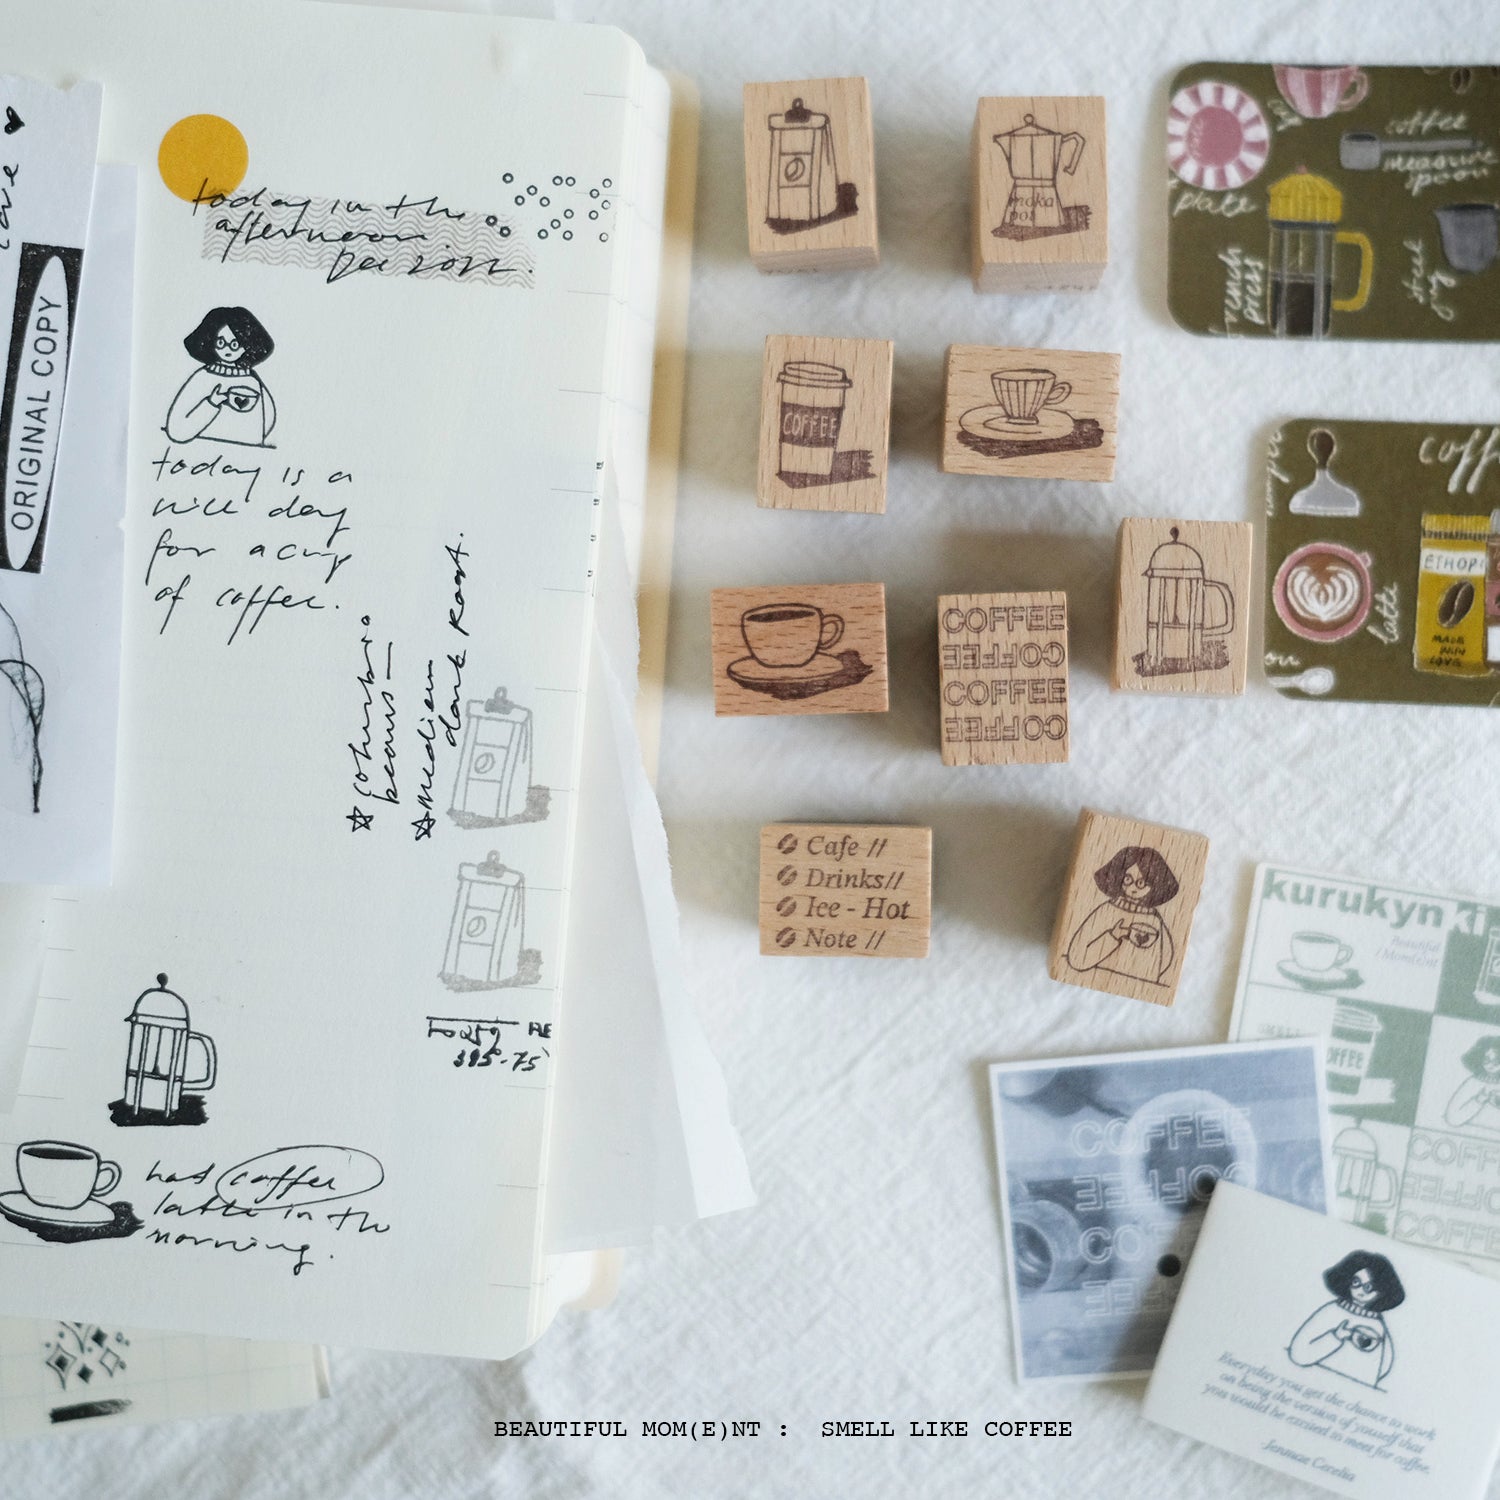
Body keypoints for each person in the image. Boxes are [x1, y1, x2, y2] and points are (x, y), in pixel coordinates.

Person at [1288, 1249, 1404, 1390]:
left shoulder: (1378, 1324)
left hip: (1360, 1391)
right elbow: (1299, 1354)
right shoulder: (1332, 1311)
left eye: (1369, 1287)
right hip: (1314, 1384)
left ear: (1382, 1290)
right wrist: (1335, 1337)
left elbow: (1385, 1363)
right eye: (1356, 1282)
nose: (1361, 1290)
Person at [1064, 845, 1178, 986]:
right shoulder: (1107, 910)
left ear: (1155, 884)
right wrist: (1113, 937)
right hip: (1096, 978)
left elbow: (1166, 958)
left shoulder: (1155, 920)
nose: (1132, 887)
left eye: (1141, 883)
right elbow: (1077, 958)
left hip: (1140, 986)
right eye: (1128, 879)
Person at [164, 307, 277, 446]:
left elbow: (269, 418)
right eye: (221, 342)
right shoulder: (203, 377)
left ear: (247, 344)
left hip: (247, 452)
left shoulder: (252, 380)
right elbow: (176, 430)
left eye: (235, 344)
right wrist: (211, 404)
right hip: (203, 452)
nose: (227, 349)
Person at [1443, 1036, 1500, 1136]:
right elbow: (1452, 1118)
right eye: (1486, 1060)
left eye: (1497, 1060)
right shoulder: (1473, 1083)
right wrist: (1479, 1100)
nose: (1491, 1065)